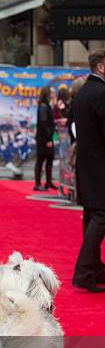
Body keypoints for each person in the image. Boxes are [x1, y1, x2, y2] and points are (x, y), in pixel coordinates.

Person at [72, 49, 105, 293]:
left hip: (86, 164)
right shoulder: (101, 92)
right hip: (99, 164)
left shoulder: (83, 92)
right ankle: (85, 271)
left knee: (92, 214)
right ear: (101, 66)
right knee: (101, 215)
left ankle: (93, 268)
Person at [34, 86, 55, 191]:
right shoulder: (43, 106)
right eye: (52, 92)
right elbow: (43, 123)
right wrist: (47, 140)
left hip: (47, 137)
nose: (53, 94)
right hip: (44, 139)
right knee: (41, 160)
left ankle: (48, 182)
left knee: (50, 159)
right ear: (47, 94)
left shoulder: (47, 106)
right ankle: (37, 184)